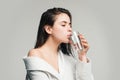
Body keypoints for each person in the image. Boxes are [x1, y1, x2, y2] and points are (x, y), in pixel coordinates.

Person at [23, 7, 94, 80]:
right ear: (48, 29)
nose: (70, 29)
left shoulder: (69, 60)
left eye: (70, 25)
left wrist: (82, 55)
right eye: (63, 25)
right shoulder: (35, 54)